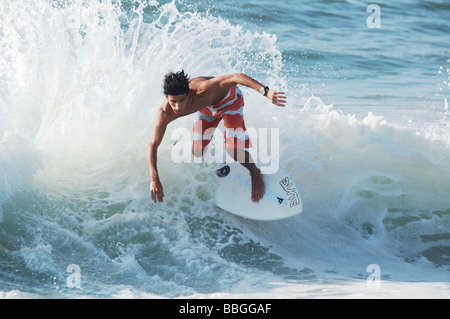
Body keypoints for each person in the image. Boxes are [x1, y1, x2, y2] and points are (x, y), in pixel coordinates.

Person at [147, 70, 286, 204]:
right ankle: (214, 149)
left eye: (182, 100)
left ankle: (255, 173)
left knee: (232, 149)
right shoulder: (165, 113)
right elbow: (152, 144)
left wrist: (266, 92)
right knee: (197, 152)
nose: (177, 107)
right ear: (166, 97)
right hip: (207, 109)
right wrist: (154, 179)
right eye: (173, 101)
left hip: (230, 103)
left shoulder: (203, 89)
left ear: (188, 94)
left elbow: (237, 77)